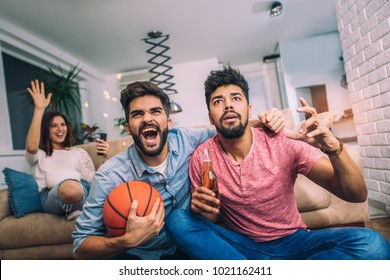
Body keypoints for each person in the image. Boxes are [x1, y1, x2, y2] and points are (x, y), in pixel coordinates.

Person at [165, 65, 390, 260]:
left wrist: (335, 149)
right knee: (178, 220)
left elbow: (357, 195)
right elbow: (211, 220)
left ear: (249, 109)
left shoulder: (281, 142)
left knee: (373, 245)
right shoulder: (202, 157)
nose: (228, 105)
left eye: (236, 98)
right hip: (242, 248)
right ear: (210, 117)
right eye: (218, 101)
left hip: (294, 243)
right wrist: (204, 210)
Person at [72, 80, 285, 260]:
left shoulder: (188, 140)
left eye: (155, 111)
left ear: (169, 122)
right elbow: (80, 246)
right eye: (137, 114)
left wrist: (267, 119)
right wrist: (125, 241)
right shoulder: (109, 176)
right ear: (128, 128)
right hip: (139, 257)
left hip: (187, 249)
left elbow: (229, 129)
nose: (147, 119)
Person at [25, 79, 110, 220]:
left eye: (63, 124)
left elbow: (94, 180)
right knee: (70, 188)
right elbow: (31, 147)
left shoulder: (79, 152)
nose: (60, 129)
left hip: (83, 188)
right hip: (52, 194)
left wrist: (105, 157)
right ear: (45, 129)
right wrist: (39, 109)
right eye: (53, 126)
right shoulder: (39, 154)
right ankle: (84, 208)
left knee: (95, 189)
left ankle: (78, 208)